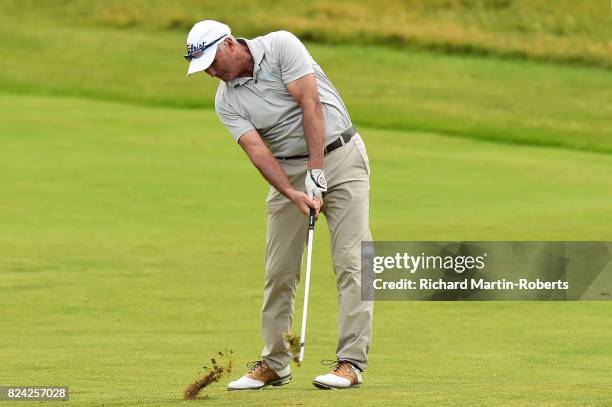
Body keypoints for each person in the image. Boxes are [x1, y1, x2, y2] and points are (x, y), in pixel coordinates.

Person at [185, 20, 373, 390]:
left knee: (352, 261)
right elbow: (257, 152)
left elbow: (311, 105)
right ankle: (275, 363)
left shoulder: (282, 45)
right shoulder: (226, 100)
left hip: (340, 156)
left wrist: (317, 171)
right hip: (288, 169)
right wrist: (293, 192)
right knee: (279, 272)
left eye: (211, 60)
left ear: (229, 43)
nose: (210, 71)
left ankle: (351, 363)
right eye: (202, 67)